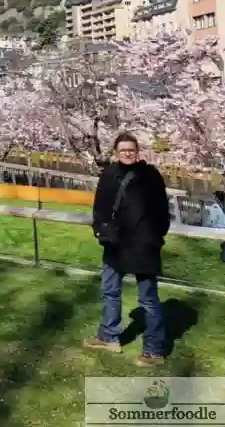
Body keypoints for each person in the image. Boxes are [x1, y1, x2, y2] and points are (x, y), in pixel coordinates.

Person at [83, 133, 170, 368]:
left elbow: (163, 210)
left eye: (131, 150)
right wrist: (102, 228)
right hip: (116, 244)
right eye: (123, 150)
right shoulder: (109, 174)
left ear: (137, 151)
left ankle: (154, 350)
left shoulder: (150, 176)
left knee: (148, 300)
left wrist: (155, 236)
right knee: (110, 291)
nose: (127, 154)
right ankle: (109, 337)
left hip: (143, 246)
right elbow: (100, 206)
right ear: (116, 152)